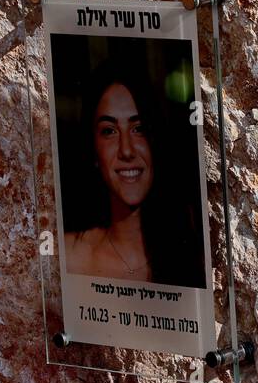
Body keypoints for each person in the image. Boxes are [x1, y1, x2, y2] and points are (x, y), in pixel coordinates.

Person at [61, 60, 206, 287]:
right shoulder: (70, 259)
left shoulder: (199, 249)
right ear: (92, 149)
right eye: (109, 131)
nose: (126, 150)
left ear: (155, 139)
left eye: (138, 129)